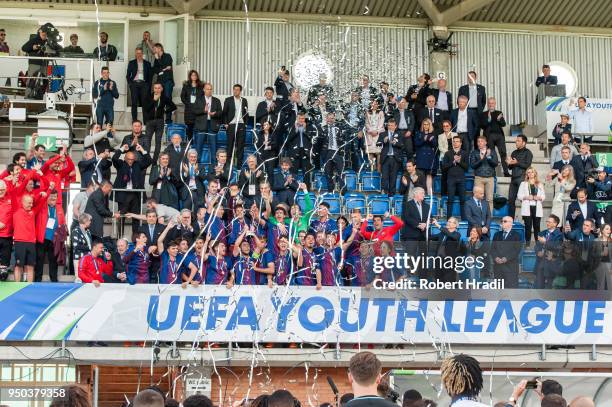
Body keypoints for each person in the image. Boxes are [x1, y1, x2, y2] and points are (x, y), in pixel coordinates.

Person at [112, 147, 152, 236]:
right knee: (121, 218)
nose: (130, 161)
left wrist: (142, 150)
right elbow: (114, 158)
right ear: (125, 158)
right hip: (123, 195)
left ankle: (135, 237)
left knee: (135, 217)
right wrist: (121, 149)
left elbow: (149, 161)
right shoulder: (121, 164)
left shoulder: (137, 165)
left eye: (132, 159)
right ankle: (120, 236)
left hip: (135, 195)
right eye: (129, 159)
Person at [34, 189, 66, 282]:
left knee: (53, 261)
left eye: (55, 196)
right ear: (47, 197)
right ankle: (37, 280)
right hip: (42, 238)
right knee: (39, 260)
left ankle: (54, 280)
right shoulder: (42, 206)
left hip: (54, 239)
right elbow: (36, 201)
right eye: (51, 196)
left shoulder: (59, 208)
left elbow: (63, 222)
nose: (53, 198)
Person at [13, 195, 46, 282]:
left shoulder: (33, 212)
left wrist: (49, 190)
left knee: (30, 266)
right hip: (20, 242)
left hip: (31, 243)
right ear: (23, 202)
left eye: (32, 203)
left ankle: (29, 285)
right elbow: (14, 193)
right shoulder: (16, 209)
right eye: (29, 203)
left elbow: (42, 202)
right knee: (18, 265)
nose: (31, 205)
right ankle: (17, 286)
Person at [146, 82, 177, 163]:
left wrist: (165, 111)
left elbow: (174, 106)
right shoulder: (149, 96)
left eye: (159, 88)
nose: (157, 89)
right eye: (155, 88)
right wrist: (154, 100)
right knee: (147, 141)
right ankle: (147, 160)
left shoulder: (164, 97)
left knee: (158, 142)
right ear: (153, 89)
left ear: (162, 89)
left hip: (159, 121)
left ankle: (154, 161)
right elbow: (146, 108)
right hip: (150, 121)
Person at [193, 82, 223, 163]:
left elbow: (220, 112)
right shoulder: (199, 99)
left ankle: (214, 167)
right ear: (204, 90)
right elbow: (194, 111)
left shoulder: (217, 100)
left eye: (210, 89)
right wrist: (204, 111)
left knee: (214, 148)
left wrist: (215, 114)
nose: (209, 91)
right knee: (199, 148)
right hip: (201, 126)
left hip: (212, 126)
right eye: (207, 89)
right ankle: (196, 167)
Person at [442, 136, 468, 219]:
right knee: (450, 200)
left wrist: (459, 161)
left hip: (461, 179)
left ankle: (463, 219)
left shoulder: (465, 153)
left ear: (461, 143)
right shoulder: (447, 153)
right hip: (451, 180)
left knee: (463, 201)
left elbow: (467, 167)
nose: (455, 143)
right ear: (452, 143)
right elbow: (444, 167)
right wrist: (453, 162)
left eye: (457, 141)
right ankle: (448, 219)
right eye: (454, 141)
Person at [491, 216, 522, 288]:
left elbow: (516, 250)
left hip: (510, 268)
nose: (502, 223)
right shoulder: (497, 235)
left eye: (505, 221)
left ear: (511, 223)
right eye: (502, 221)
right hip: (498, 268)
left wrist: (506, 258)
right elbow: (492, 248)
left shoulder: (517, 235)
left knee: (511, 292)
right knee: (498, 291)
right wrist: (495, 258)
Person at [534, 215, 564, 289]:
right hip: (541, 262)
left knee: (550, 286)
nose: (547, 223)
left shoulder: (560, 235)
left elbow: (557, 247)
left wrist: (545, 242)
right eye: (547, 221)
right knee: (539, 285)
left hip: (552, 264)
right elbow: (536, 246)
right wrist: (538, 252)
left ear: (555, 224)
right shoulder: (542, 233)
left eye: (549, 222)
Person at [506, 135, 533, 218]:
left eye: (518, 141)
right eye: (516, 140)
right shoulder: (514, 152)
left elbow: (527, 165)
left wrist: (516, 162)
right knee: (511, 200)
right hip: (513, 178)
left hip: (522, 178)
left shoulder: (528, 152)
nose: (516, 142)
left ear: (524, 143)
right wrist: (509, 162)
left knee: (524, 200)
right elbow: (510, 167)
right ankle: (511, 219)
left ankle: (527, 218)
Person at [517, 167, 545, 245]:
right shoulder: (523, 183)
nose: (530, 174)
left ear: (535, 173)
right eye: (528, 172)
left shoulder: (539, 184)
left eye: (532, 172)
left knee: (537, 227)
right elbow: (519, 195)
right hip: (527, 207)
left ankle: (538, 244)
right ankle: (528, 244)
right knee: (528, 227)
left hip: (537, 206)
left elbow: (543, 196)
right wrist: (526, 197)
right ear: (527, 174)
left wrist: (539, 198)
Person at [223, 84, 249, 166]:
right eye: (234, 89)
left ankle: (239, 167)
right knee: (230, 146)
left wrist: (246, 124)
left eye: (237, 90)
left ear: (240, 91)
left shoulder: (244, 100)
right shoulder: (228, 100)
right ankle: (227, 167)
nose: (235, 91)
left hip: (241, 125)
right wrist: (226, 124)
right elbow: (224, 113)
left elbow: (246, 113)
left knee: (240, 147)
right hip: (231, 125)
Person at [470, 136, 498, 211]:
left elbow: (495, 164)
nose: (479, 143)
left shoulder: (492, 151)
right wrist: (481, 159)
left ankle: (489, 218)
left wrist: (488, 157)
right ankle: (479, 217)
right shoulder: (474, 152)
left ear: (486, 142)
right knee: (478, 198)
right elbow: (472, 165)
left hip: (490, 178)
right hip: (478, 178)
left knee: (489, 199)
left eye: (481, 141)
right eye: (478, 141)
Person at [320, 112, 346, 193]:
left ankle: (343, 190)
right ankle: (330, 190)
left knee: (341, 171)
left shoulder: (340, 128)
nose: (331, 120)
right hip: (327, 153)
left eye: (332, 118)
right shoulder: (322, 128)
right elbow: (318, 143)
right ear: (326, 119)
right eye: (329, 118)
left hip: (337, 152)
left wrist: (342, 151)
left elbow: (344, 140)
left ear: (334, 119)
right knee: (328, 172)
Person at [126, 47, 153, 122]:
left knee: (145, 103)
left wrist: (148, 86)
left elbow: (150, 76)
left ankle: (146, 122)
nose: (139, 55)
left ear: (142, 54)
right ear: (135, 54)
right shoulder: (131, 63)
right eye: (137, 53)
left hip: (144, 84)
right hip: (134, 84)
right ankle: (134, 121)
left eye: (140, 53)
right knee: (134, 103)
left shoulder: (147, 63)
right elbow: (128, 75)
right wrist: (130, 84)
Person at [181, 70, 204, 141]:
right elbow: (182, 97)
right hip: (189, 110)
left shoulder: (201, 85)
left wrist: (200, 105)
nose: (194, 76)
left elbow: (203, 97)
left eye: (195, 75)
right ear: (190, 76)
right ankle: (190, 143)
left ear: (197, 76)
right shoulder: (186, 85)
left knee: (198, 129)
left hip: (198, 110)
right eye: (192, 75)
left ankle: (197, 143)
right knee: (189, 128)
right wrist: (188, 104)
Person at [364, 99, 385, 172]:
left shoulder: (381, 112)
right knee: (370, 154)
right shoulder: (367, 113)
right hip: (369, 135)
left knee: (379, 154)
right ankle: (372, 172)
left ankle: (379, 172)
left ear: (378, 105)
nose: (374, 105)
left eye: (375, 104)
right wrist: (370, 131)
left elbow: (381, 123)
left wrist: (377, 131)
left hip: (378, 135)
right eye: (372, 104)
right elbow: (366, 123)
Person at [152, 43, 174, 110]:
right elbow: (155, 70)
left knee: (167, 98)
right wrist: (164, 69)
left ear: (159, 48)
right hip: (160, 81)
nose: (154, 51)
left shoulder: (167, 56)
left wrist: (159, 60)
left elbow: (168, 66)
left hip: (167, 81)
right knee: (160, 99)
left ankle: (168, 119)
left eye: (155, 49)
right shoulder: (156, 59)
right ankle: (160, 118)